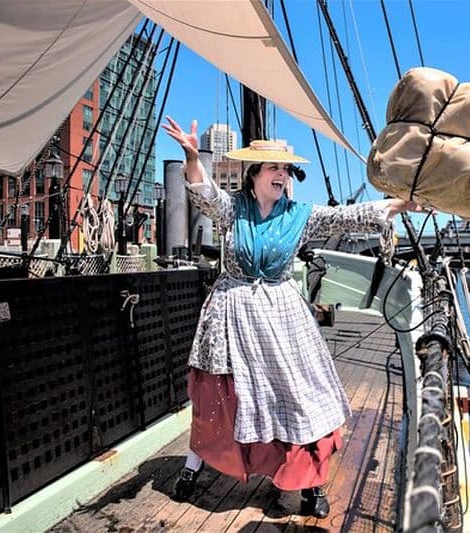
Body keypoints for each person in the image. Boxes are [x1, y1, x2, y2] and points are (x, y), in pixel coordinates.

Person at [162, 116, 417, 518]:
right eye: (274, 168)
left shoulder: (301, 214)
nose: (282, 175)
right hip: (232, 317)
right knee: (221, 399)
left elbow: (350, 217)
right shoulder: (234, 210)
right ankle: (194, 469)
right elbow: (203, 192)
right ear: (255, 175)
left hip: (282, 316)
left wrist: (401, 204)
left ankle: (311, 484)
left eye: (285, 169)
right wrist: (192, 154)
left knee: (301, 396)